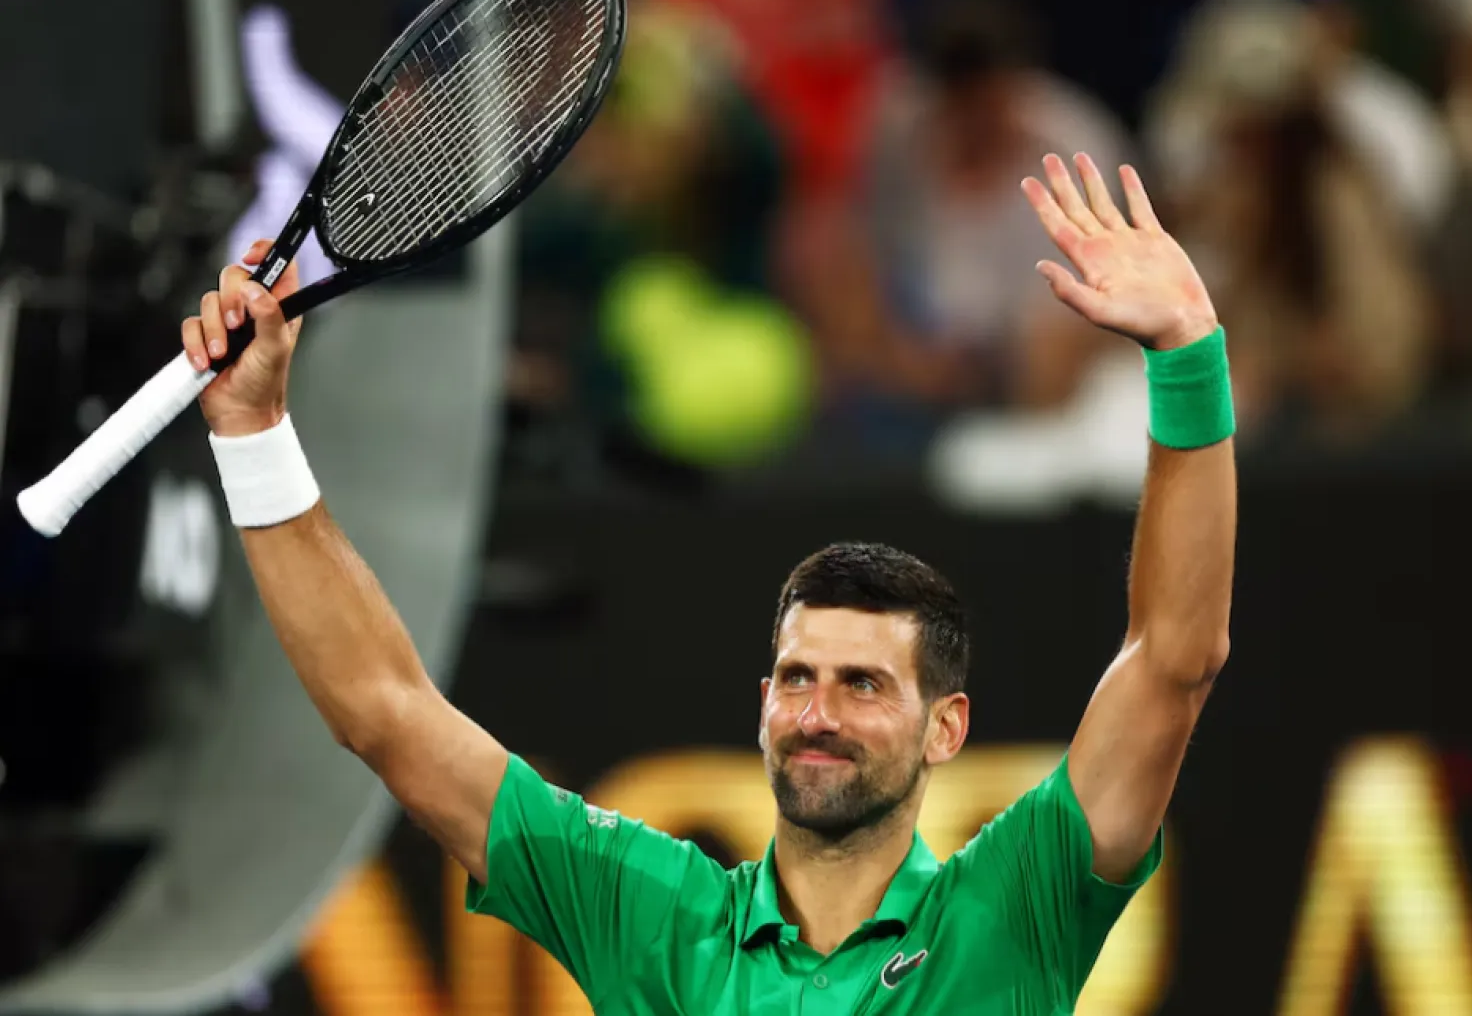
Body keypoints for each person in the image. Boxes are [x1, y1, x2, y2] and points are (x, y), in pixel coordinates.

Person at [182, 152, 1235, 1013]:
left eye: (864, 684)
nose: (817, 713)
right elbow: (385, 712)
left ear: (946, 726)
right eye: (797, 677)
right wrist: (252, 430)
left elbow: (1174, 660)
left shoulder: (1012, 907)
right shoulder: (650, 911)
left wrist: (1188, 355)